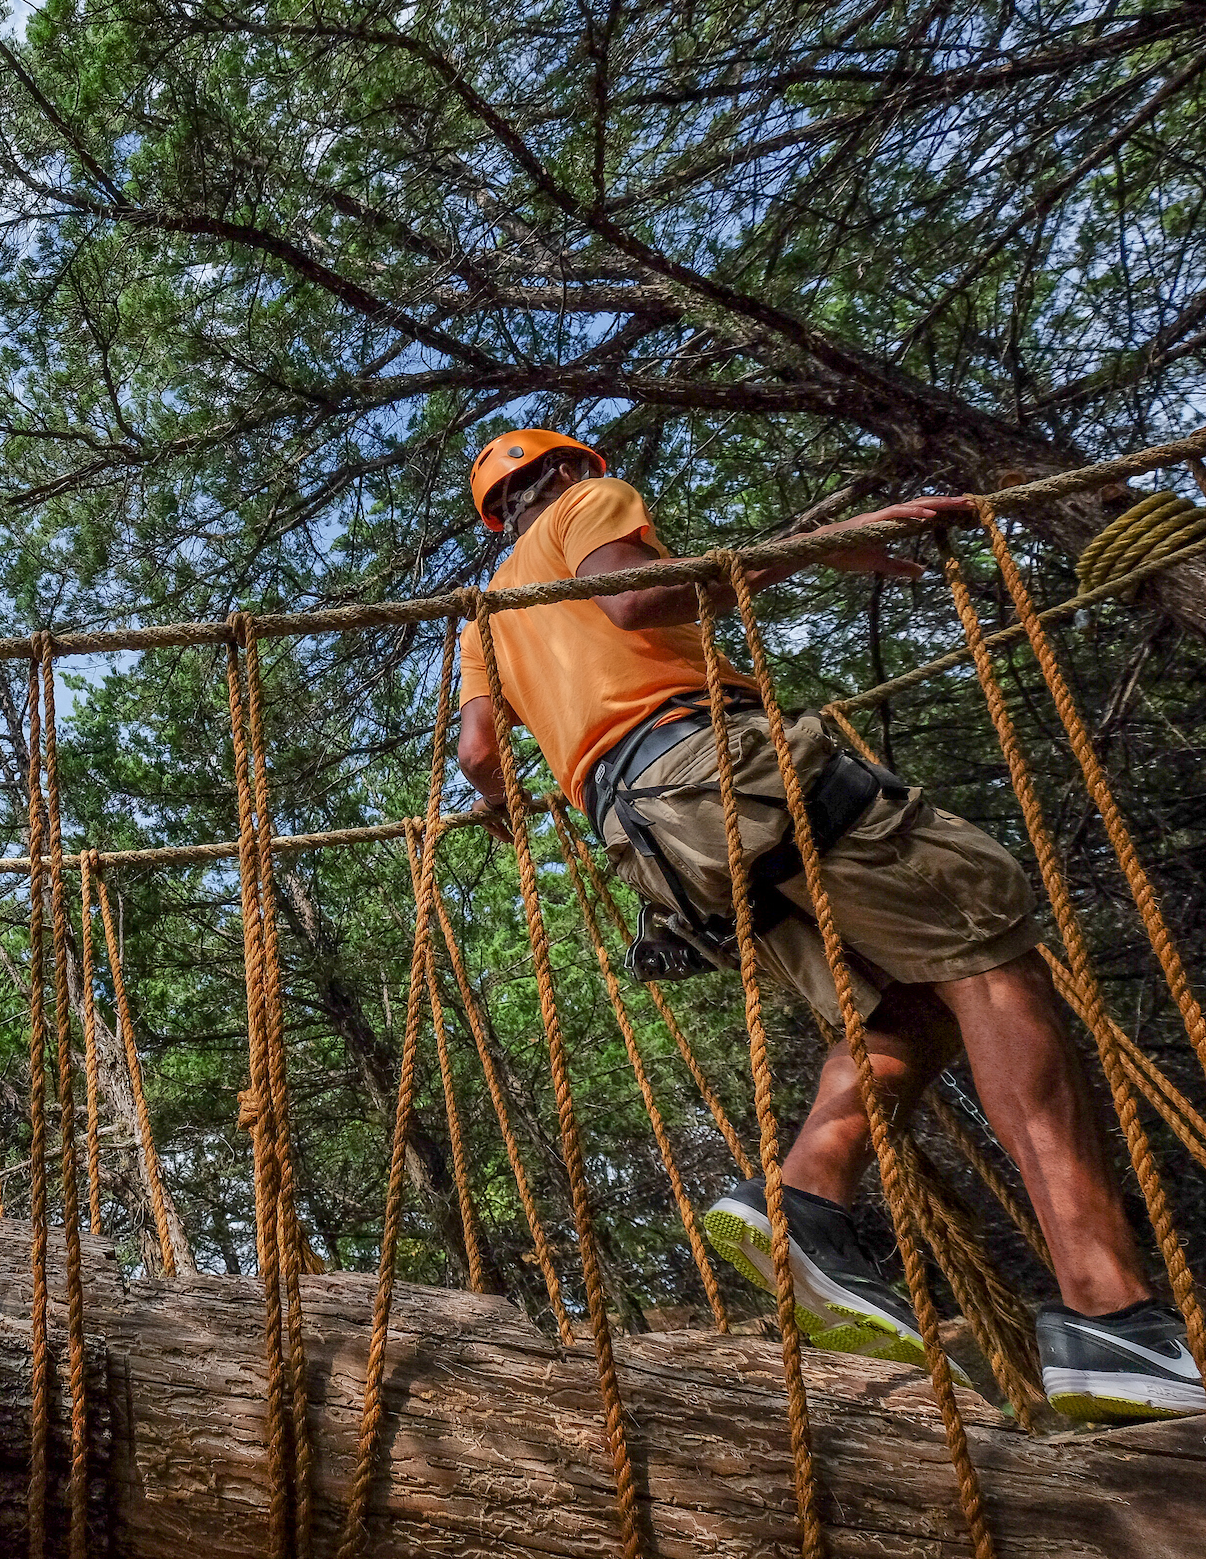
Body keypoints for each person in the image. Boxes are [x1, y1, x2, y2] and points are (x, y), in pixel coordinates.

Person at [451, 427, 1203, 1424]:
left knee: (908, 1014)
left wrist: (504, 802)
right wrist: (824, 545)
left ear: (495, 518)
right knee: (990, 952)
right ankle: (1111, 1315)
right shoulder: (590, 502)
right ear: (570, 471)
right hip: (718, 769)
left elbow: (479, 753)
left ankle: (801, 1201)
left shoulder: (485, 618)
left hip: (651, 841)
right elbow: (637, 597)